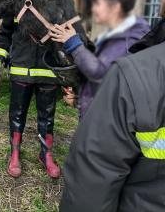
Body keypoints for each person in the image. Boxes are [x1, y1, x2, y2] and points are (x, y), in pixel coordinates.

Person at [59, 18, 165, 212]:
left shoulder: (132, 36)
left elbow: (102, 75)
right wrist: (80, 95)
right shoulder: (110, 35)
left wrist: (74, 44)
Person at [50, 0, 149, 118]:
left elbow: (99, 73)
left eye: (98, 4)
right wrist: (80, 98)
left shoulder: (129, 39)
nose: (93, 9)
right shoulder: (111, 36)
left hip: (108, 127)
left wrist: (73, 43)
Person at [0, 16, 61, 179]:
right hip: (21, 68)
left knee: (47, 117)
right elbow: (5, 32)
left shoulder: (55, 0)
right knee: (17, 115)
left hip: (48, 68)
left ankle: (46, 155)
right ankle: (15, 153)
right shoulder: (17, 0)